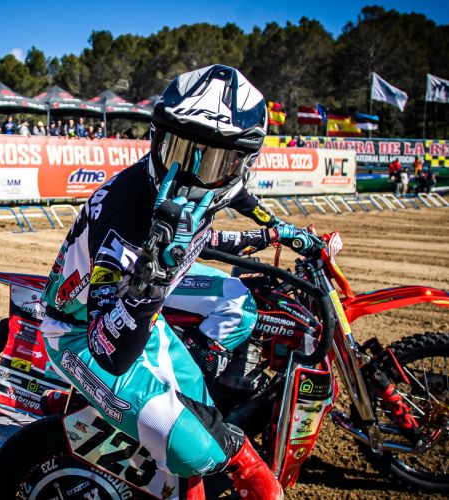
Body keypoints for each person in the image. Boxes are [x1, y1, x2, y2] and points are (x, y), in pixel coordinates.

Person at [41, 65, 319, 499]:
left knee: (207, 398)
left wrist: (278, 230)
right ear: (157, 139)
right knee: (196, 450)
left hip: (143, 318)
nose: (190, 176)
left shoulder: (216, 186)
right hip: (77, 333)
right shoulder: (126, 217)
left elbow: (240, 200)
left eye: (212, 160)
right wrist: (152, 278)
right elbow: (106, 350)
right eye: (180, 152)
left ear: (241, 164)